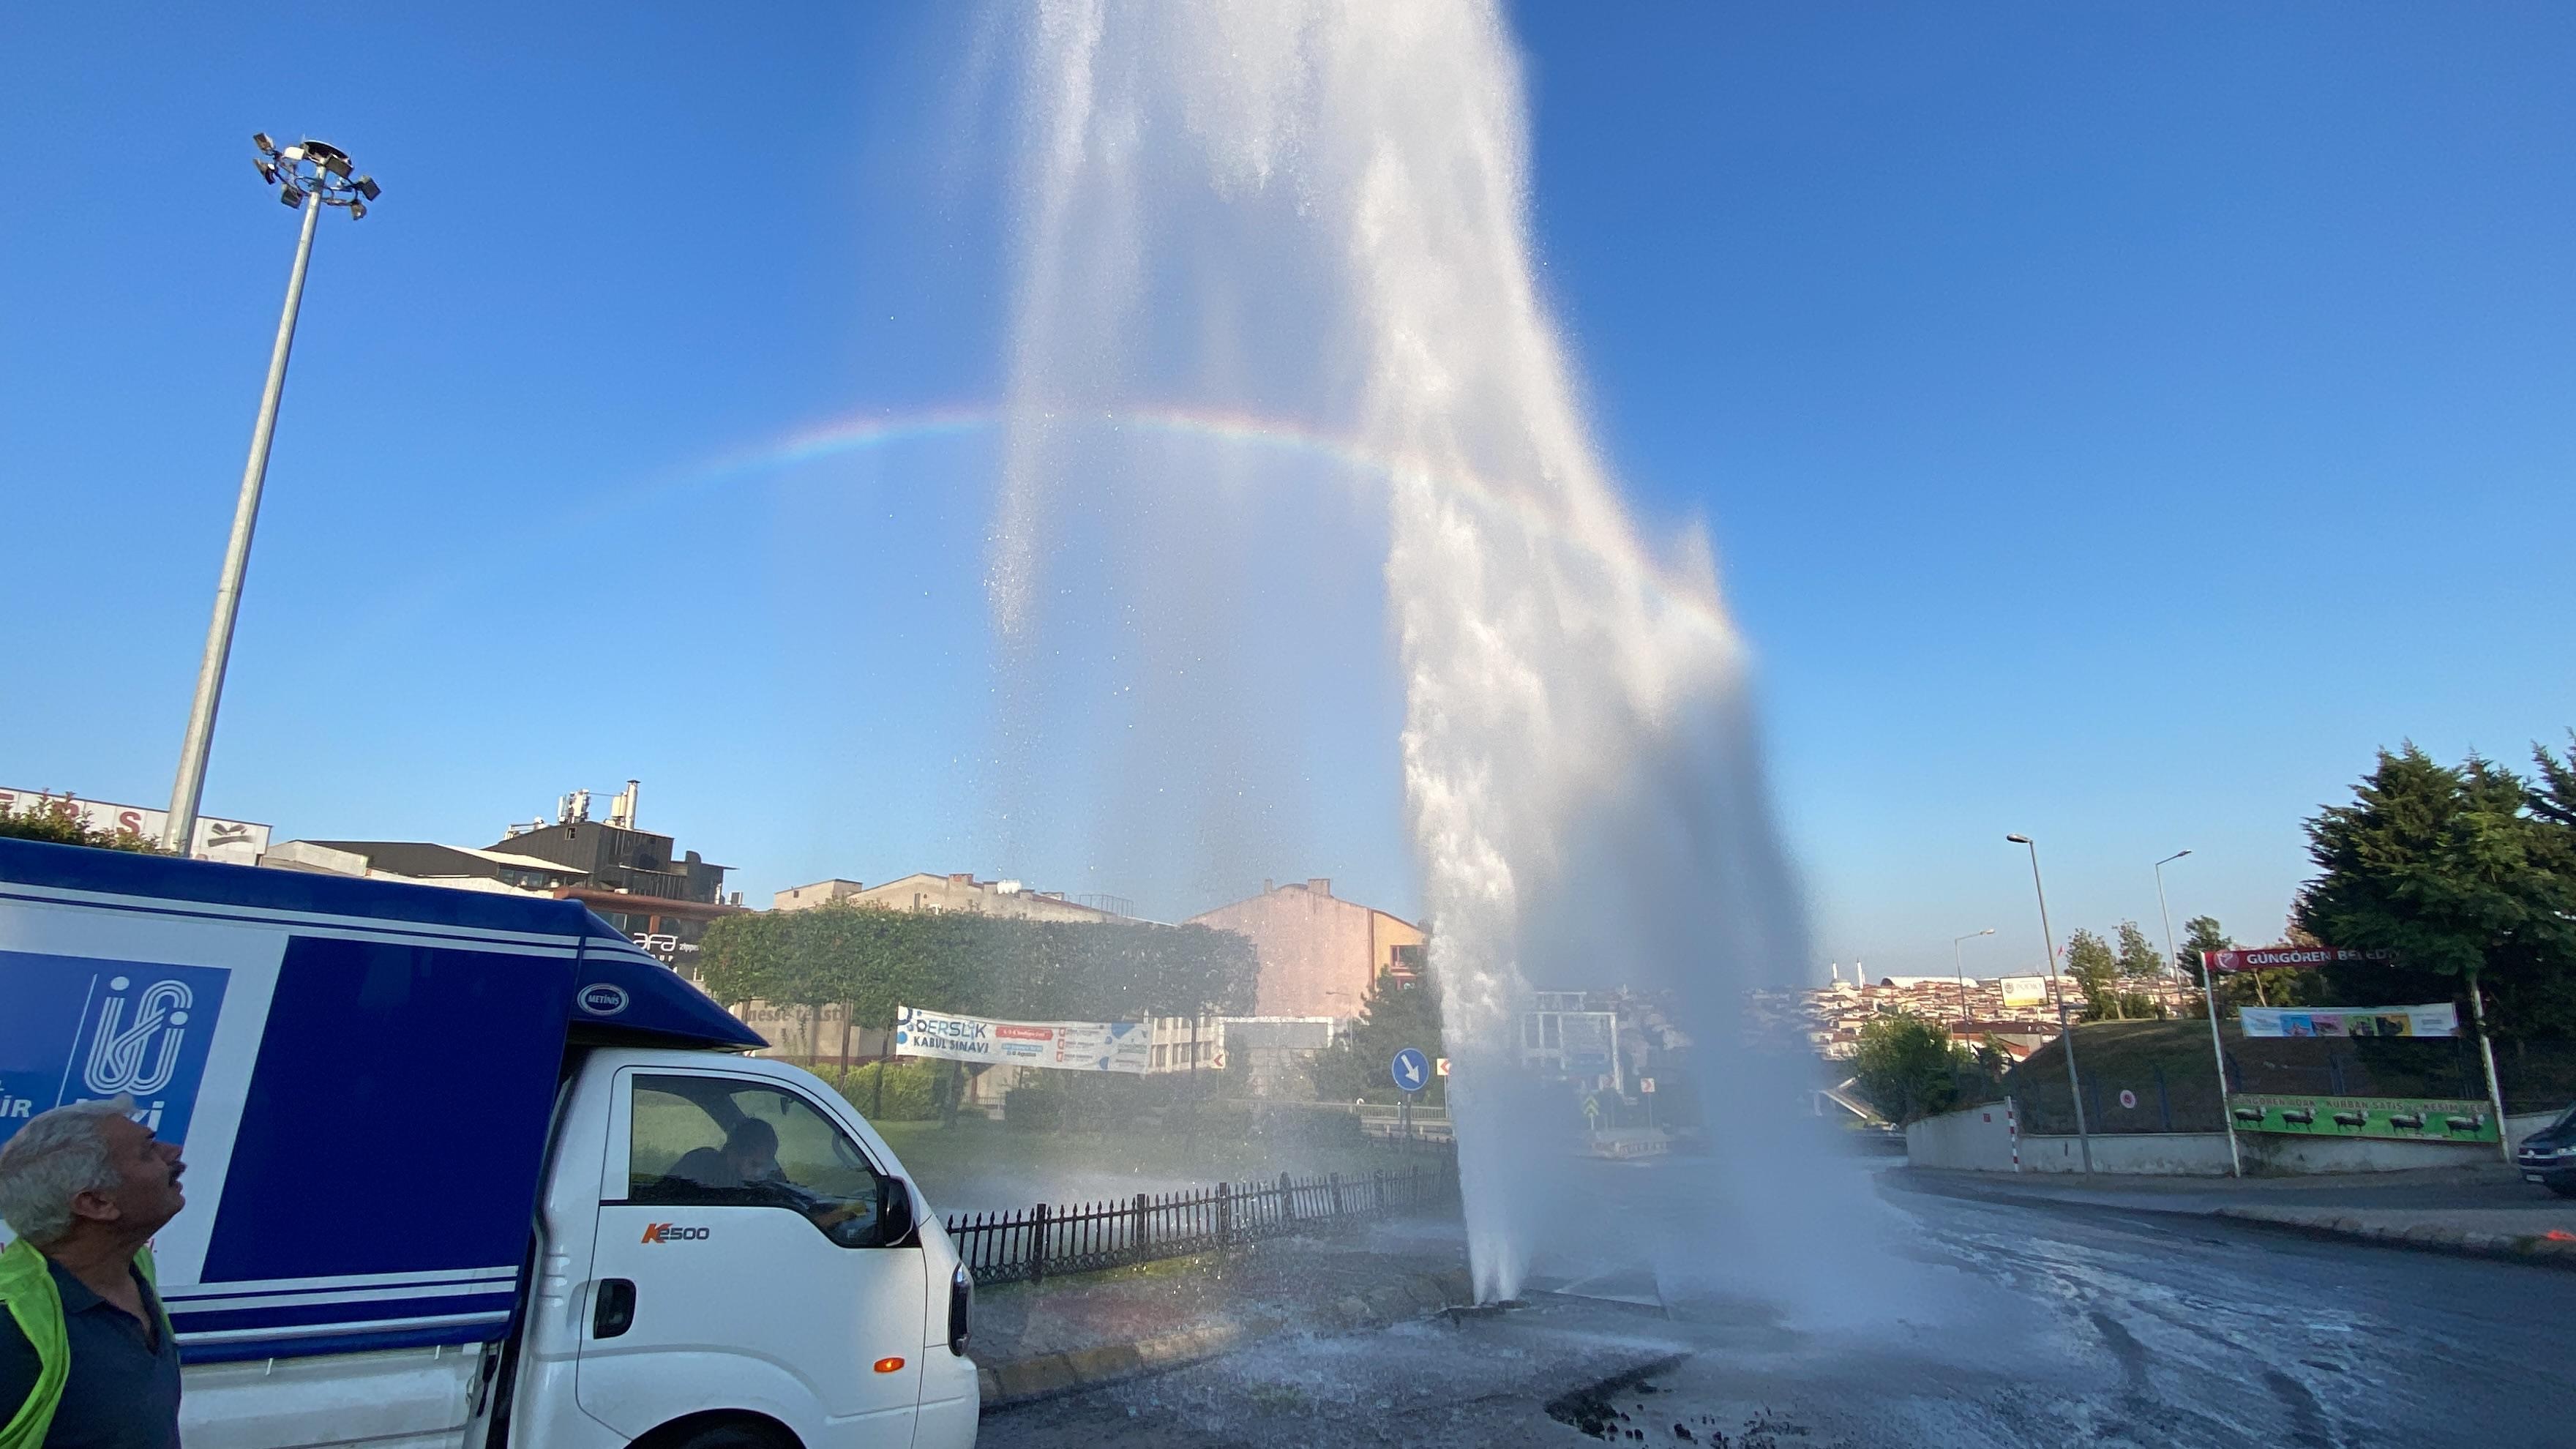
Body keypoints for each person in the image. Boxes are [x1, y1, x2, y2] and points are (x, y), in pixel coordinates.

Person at [0, 1098, 187, 1449]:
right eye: (147, 1152)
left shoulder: (134, 1269)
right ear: (96, 1203)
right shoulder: (10, 1325)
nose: (173, 1153)